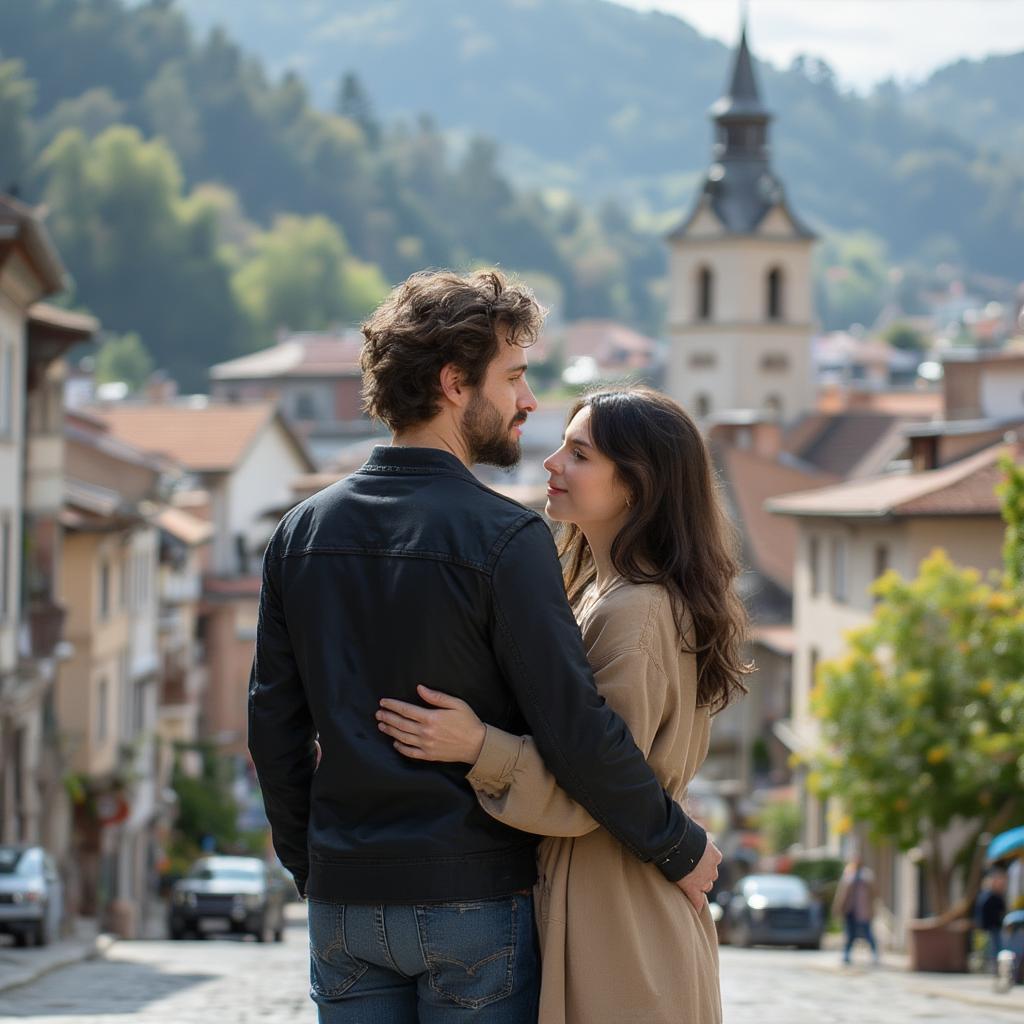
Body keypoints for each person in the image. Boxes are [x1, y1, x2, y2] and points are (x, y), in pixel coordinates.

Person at [248, 270, 722, 1023]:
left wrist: (318, 867)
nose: (525, 401)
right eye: (513, 377)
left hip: (345, 896)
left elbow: (272, 730)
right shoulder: (506, 537)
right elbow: (579, 732)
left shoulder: (300, 534)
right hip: (470, 896)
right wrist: (678, 845)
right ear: (453, 384)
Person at [378, 386, 750, 1024]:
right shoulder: (607, 595)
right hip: (619, 907)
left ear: (637, 484)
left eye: (579, 454)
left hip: (619, 926)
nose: (551, 463)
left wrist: (475, 746)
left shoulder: (632, 610)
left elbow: (596, 787)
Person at [833, 854, 879, 966]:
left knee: (868, 933)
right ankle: (846, 954)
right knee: (849, 934)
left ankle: (874, 955)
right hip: (850, 910)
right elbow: (841, 893)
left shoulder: (867, 875)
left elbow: (874, 893)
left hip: (863, 910)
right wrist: (838, 907)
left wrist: (873, 908)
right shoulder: (848, 874)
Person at [975, 867, 1008, 971]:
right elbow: (983, 912)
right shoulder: (987, 896)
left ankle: (995, 968)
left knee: (996, 947)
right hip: (990, 926)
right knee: (992, 948)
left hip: (995, 925)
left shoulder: (997, 895)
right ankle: (993, 968)